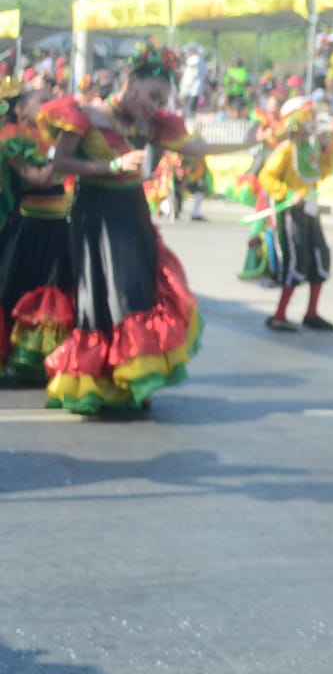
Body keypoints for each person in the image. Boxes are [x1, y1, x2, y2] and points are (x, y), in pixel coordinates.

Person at [38, 41, 251, 413]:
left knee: (135, 293)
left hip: (133, 215)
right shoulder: (85, 114)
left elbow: (196, 147)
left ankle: (130, 378)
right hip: (95, 216)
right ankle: (98, 381)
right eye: (151, 96)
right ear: (131, 81)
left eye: (160, 101)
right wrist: (112, 167)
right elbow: (60, 164)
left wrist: (245, 142)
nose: (153, 107)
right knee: (99, 297)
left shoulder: (151, 125)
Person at [0, 80, 73, 386]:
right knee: (16, 290)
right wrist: (65, 155)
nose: (48, 104)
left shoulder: (54, 138)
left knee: (54, 290)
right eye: (41, 100)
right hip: (28, 226)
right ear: (20, 109)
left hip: (59, 225)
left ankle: (47, 357)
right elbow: (38, 179)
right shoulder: (12, 138)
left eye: (51, 99)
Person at [258, 98, 333, 332]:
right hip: (292, 213)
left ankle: (311, 313)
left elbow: (322, 172)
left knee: (321, 256)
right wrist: (287, 193)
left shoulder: (308, 149)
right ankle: (279, 315)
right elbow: (266, 176)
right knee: (296, 261)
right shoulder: (285, 150)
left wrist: (325, 149)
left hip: (310, 211)